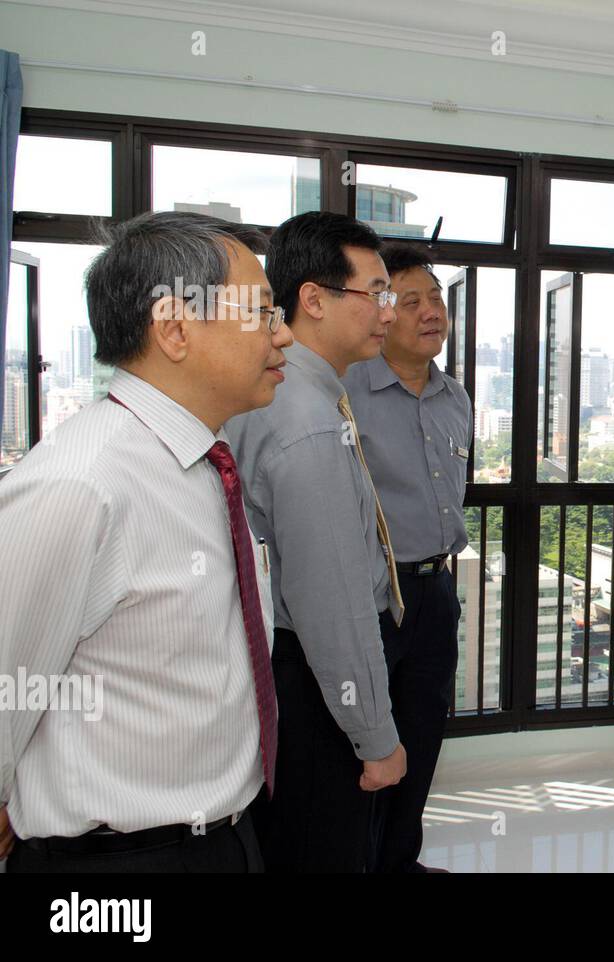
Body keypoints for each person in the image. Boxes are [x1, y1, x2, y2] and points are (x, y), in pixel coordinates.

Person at [0, 211, 292, 872]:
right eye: (262, 314)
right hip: (120, 861)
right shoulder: (83, 483)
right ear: (174, 327)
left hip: (226, 835)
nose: (284, 337)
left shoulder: (202, 460)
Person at [226, 212, 407, 872]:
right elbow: (331, 602)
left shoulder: (282, 388)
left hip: (287, 672)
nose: (388, 311)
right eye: (376, 292)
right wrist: (376, 738)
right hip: (311, 683)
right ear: (313, 299)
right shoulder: (302, 417)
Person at [341, 241, 471, 873]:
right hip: (371, 596)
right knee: (365, 748)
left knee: (420, 737)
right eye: (411, 300)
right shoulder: (346, 393)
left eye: (437, 299)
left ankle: (400, 863)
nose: (431, 313)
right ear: (382, 313)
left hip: (435, 592)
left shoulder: (455, 398)